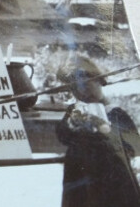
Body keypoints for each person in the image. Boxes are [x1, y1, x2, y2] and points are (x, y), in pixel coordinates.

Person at [56, 56, 140, 207]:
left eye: (86, 86)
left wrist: (103, 128)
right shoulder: (75, 110)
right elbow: (62, 135)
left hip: (111, 178)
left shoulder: (115, 113)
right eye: (75, 89)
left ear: (99, 81)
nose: (82, 93)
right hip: (79, 177)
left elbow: (134, 144)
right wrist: (71, 125)